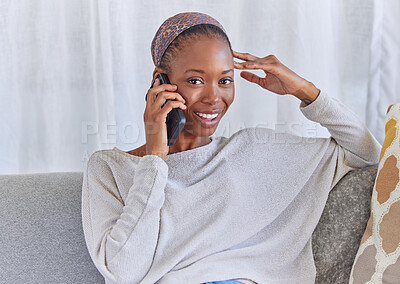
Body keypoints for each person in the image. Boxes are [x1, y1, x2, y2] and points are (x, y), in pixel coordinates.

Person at [81, 12, 381, 284]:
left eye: (225, 80)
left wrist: (305, 91)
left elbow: (366, 154)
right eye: (196, 79)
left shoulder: (252, 150)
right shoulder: (109, 168)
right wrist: (155, 158)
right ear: (160, 81)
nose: (214, 97)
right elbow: (122, 271)